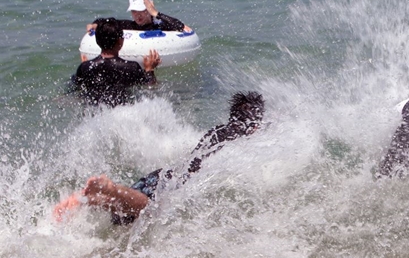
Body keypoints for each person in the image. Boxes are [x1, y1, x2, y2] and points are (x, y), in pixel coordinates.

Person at [53, 92, 265, 225]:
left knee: (124, 216)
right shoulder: (241, 139)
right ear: (255, 123)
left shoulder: (217, 131)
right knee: (147, 210)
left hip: (163, 174)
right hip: (177, 182)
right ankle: (109, 189)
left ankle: (89, 199)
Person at [71, 18, 161, 107]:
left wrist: (86, 66)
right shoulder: (131, 67)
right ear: (120, 41)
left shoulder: (86, 67)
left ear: (97, 41)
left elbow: (76, 88)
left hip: (95, 114)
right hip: (122, 113)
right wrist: (149, 69)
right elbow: (150, 87)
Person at [86, 0, 189, 34]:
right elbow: (108, 21)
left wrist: (156, 14)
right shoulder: (129, 25)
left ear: (150, 9)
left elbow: (180, 26)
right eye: (134, 11)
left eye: (142, 11)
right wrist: (94, 24)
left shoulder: (161, 26)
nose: (138, 15)